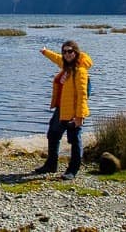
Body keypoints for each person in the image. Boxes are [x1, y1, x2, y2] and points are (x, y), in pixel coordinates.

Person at [35, 40, 92, 180]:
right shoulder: (66, 66)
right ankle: (51, 164)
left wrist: (80, 116)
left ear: (76, 53)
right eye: (64, 51)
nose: (67, 54)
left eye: (70, 51)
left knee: (74, 139)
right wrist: (45, 52)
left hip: (73, 112)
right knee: (53, 134)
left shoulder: (80, 71)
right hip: (61, 109)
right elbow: (57, 58)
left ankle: (72, 170)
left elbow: (83, 95)